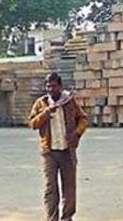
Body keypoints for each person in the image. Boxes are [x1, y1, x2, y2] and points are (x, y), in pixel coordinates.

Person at [29, 72, 89, 221]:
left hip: (67, 151)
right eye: (48, 86)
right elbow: (32, 123)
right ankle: (51, 218)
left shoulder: (69, 101)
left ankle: (67, 218)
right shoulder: (41, 103)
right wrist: (46, 113)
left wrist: (77, 133)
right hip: (49, 152)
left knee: (69, 189)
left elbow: (83, 119)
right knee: (50, 188)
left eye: (53, 86)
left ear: (60, 86)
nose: (50, 89)